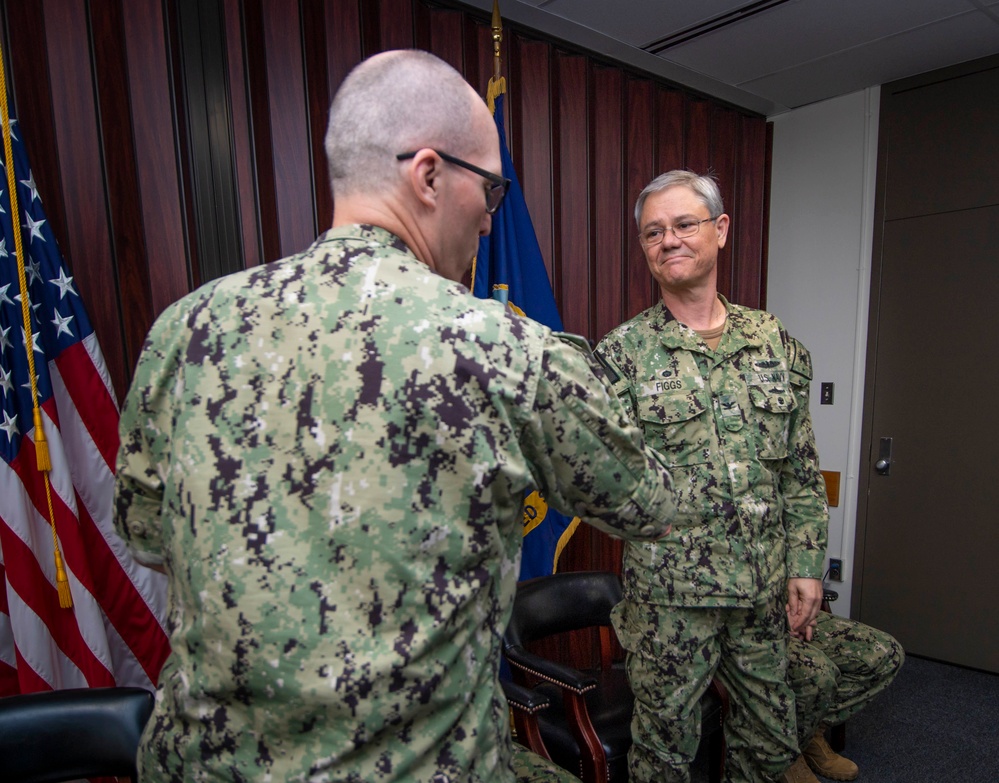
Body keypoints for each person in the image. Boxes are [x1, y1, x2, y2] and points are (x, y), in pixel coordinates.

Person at [112, 50, 677, 783]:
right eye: (492, 188)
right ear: (429, 174)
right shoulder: (501, 347)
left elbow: (147, 535)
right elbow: (649, 501)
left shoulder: (185, 329)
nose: (487, 222)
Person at [595, 169, 828, 783]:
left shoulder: (773, 342)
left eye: (683, 224)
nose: (668, 240)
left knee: (768, 744)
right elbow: (605, 485)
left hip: (762, 590)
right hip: (673, 603)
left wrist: (806, 565)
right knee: (665, 752)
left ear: (720, 231)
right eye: (653, 232)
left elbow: (800, 471)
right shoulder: (621, 356)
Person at [784, 609, 905, 782]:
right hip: (747, 620)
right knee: (820, 676)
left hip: (787, 604)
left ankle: (808, 732)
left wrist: (804, 604)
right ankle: (784, 752)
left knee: (888, 654)